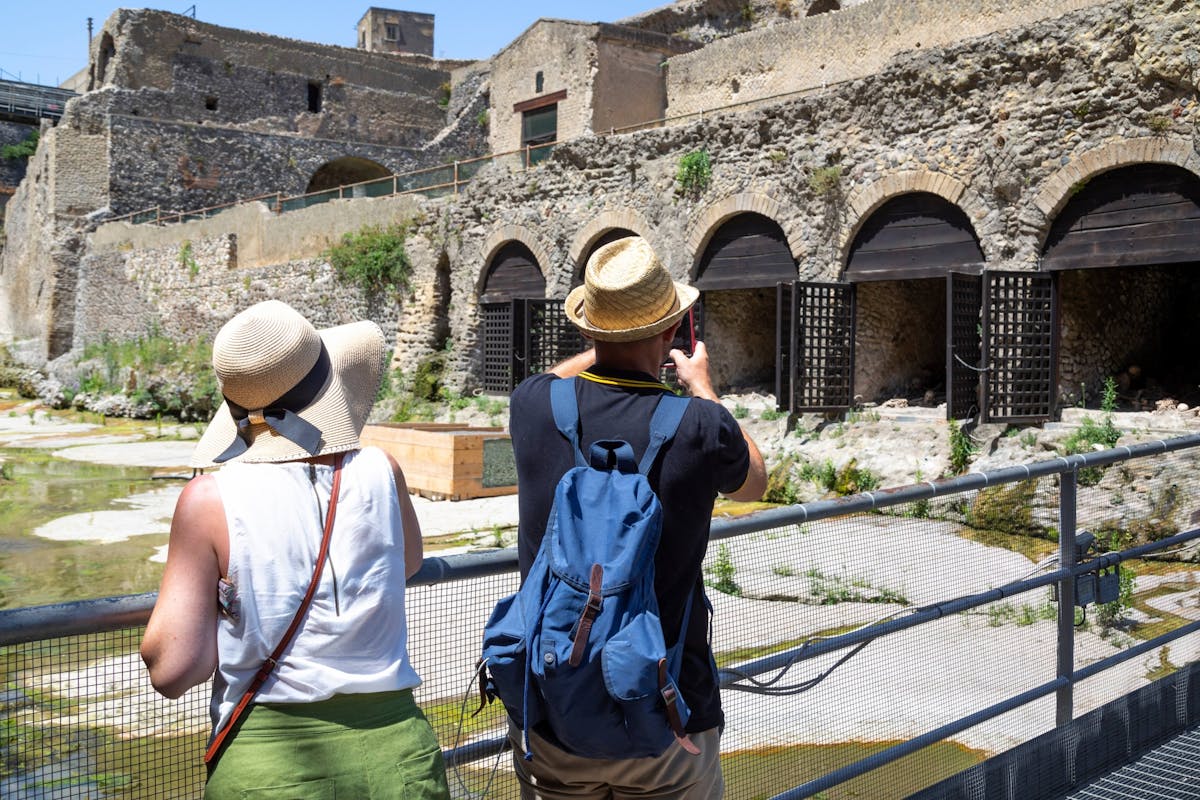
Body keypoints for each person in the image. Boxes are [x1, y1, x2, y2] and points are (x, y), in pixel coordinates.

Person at [140, 300, 450, 800]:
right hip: (398, 757)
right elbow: (408, 563)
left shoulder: (209, 500)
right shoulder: (380, 469)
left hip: (271, 767)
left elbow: (175, 670)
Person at [507, 236, 767, 799]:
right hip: (668, 714)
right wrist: (703, 386)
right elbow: (755, 482)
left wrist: (603, 345)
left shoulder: (531, 407)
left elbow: (553, 381)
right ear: (671, 331)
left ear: (587, 330)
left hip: (551, 713)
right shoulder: (701, 425)